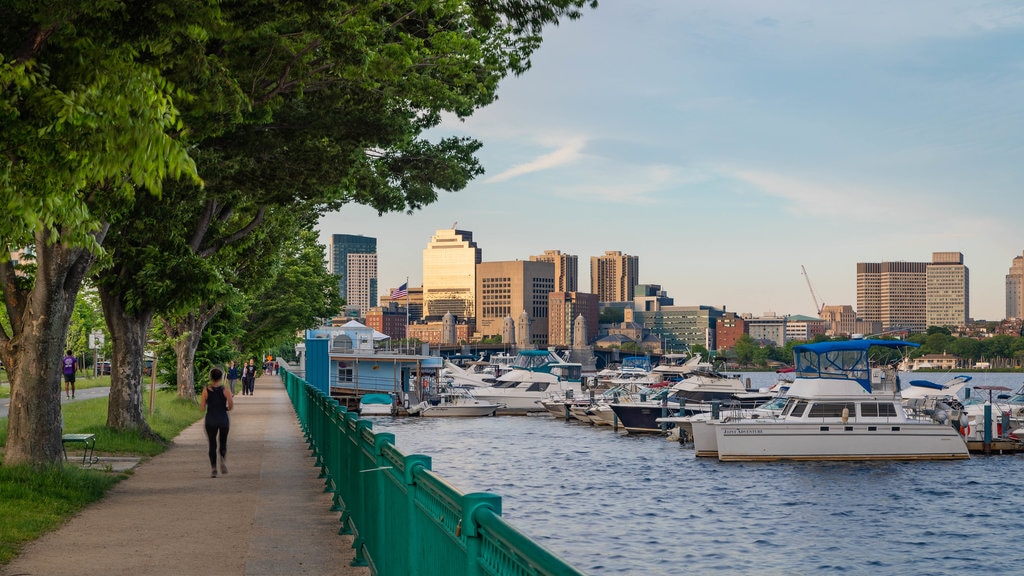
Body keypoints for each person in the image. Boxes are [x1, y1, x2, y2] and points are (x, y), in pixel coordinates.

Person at [199, 367, 233, 478]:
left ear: (211, 377)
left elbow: (202, 407)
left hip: (210, 420)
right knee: (223, 442)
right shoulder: (225, 390)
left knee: (212, 444)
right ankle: (222, 459)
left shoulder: (206, 390)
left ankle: (213, 468)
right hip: (223, 419)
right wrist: (226, 409)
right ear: (221, 377)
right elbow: (231, 405)